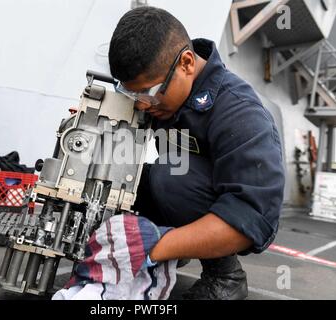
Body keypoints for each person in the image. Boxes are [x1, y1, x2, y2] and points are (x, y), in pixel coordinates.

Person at [108, 6, 285, 300]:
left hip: (234, 213)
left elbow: (253, 216)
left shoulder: (240, 111)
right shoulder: (162, 95)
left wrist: (155, 246)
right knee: (131, 176)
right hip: (188, 195)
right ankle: (174, 249)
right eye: (132, 95)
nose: (141, 105)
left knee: (171, 174)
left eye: (148, 94)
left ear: (187, 63)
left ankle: (225, 276)